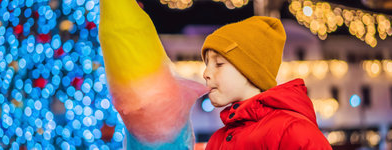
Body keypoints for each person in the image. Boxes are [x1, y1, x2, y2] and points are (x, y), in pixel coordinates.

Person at [99, 0, 332, 149]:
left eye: (219, 64)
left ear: (250, 70)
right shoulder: (218, 140)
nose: (206, 74)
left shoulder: (292, 130)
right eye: (206, 64)